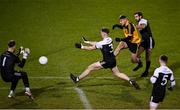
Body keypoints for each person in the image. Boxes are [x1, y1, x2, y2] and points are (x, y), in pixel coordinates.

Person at [70, 27, 140, 89]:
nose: (100, 34)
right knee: (117, 73)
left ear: (103, 33)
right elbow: (97, 43)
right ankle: (130, 80)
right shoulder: (110, 39)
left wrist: (81, 47)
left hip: (107, 61)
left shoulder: (101, 43)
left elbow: (91, 48)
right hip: (113, 60)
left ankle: (77, 79)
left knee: (90, 67)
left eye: (101, 33)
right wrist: (87, 41)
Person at [134, 12, 155, 77]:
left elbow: (143, 26)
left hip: (149, 41)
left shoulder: (143, 20)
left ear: (140, 16)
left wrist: (135, 26)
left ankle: (146, 71)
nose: (135, 18)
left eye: (136, 16)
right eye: (135, 17)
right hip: (143, 41)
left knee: (147, 57)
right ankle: (140, 63)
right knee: (137, 55)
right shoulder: (139, 22)